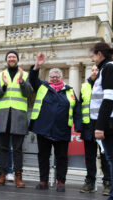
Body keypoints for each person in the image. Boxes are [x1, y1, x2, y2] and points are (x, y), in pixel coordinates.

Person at [29, 53, 81, 192]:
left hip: (62, 129)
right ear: (48, 78)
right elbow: (32, 79)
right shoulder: (42, 87)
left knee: (62, 158)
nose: (54, 78)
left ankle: (60, 182)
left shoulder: (70, 91)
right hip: (43, 129)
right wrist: (37, 66)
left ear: (62, 77)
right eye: (52, 76)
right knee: (43, 156)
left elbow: (77, 109)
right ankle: (43, 181)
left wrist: (79, 126)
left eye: (57, 76)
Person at [90, 42, 113, 200]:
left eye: (92, 55)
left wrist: (100, 126)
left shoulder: (109, 68)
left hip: (109, 123)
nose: (92, 59)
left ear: (99, 54)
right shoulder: (109, 68)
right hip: (112, 121)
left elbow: (108, 99)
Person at [0, 50, 33, 188]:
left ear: (17, 59)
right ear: (6, 60)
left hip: (19, 115)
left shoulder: (25, 74)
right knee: (3, 148)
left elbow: (28, 93)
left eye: (14, 57)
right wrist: (4, 86)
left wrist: (22, 80)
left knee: (17, 149)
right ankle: (2, 174)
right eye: (9, 57)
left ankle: (18, 176)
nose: (11, 59)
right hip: (4, 115)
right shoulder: (0, 75)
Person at [79, 64, 111, 195]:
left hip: (103, 126)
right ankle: (90, 182)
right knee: (90, 157)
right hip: (88, 126)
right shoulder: (84, 86)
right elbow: (80, 107)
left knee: (105, 156)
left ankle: (108, 183)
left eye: (96, 70)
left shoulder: (107, 85)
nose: (93, 72)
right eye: (92, 70)